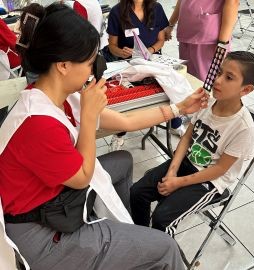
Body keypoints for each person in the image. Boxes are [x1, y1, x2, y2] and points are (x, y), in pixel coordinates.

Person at [0, 3, 209, 270]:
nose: (92, 72)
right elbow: (82, 177)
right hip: (40, 233)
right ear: (63, 65)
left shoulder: (52, 93)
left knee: (122, 161)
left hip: (54, 202)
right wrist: (88, 118)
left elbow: (126, 121)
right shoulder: (37, 123)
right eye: (89, 64)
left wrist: (180, 108)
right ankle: (130, 249)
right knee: (164, 247)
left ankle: (126, 243)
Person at [130, 51, 254, 237]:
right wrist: (171, 171)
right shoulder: (208, 103)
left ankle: (162, 259)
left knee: (162, 219)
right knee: (137, 192)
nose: (217, 80)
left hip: (211, 181)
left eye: (229, 77)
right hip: (187, 163)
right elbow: (186, 138)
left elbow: (219, 170)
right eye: (219, 72)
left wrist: (177, 183)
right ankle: (142, 238)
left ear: (246, 90)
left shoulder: (244, 129)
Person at [105, 0, 169, 151]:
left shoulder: (156, 8)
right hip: (127, 65)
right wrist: (121, 52)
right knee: (128, 100)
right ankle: (119, 134)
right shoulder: (117, 11)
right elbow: (112, 46)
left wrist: (151, 50)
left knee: (165, 91)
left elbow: (161, 40)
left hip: (151, 61)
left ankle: (175, 123)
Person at [165, 0, 239, 82]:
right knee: (188, 78)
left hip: (208, 38)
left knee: (206, 83)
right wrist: (170, 25)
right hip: (187, 31)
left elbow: (233, 2)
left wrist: (223, 42)